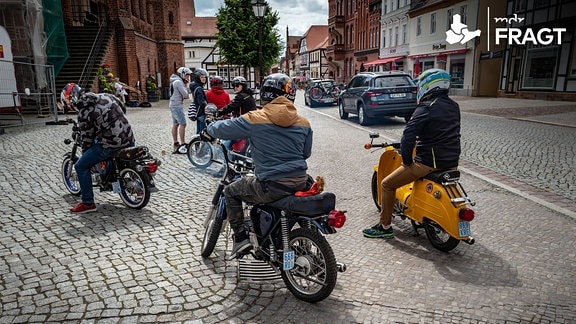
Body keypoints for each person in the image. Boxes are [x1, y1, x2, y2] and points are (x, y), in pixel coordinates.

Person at [202, 73, 312, 256]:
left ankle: (240, 239)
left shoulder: (255, 118)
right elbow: (305, 153)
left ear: (266, 94)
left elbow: (224, 128)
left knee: (230, 191)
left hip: (271, 184)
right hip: (300, 180)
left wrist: (210, 125)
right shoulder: (304, 122)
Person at [362, 68, 461, 238]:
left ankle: (384, 227)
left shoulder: (426, 107)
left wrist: (406, 161)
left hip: (427, 163)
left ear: (427, 86)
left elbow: (408, 137)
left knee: (387, 184)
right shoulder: (454, 106)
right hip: (451, 161)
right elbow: (440, 131)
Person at [70, 92, 135, 213]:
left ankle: (88, 203)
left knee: (80, 166)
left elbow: (87, 138)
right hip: (128, 136)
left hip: (111, 143)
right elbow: (123, 108)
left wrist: (86, 155)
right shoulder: (106, 95)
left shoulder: (84, 112)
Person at [169, 67, 192, 154]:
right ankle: (182, 143)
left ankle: (176, 142)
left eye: (188, 75)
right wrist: (186, 86)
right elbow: (186, 95)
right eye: (186, 75)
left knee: (175, 124)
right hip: (177, 105)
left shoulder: (175, 81)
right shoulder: (178, 82)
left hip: (173, 104)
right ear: (182, 74)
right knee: (183, 124)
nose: (188, 77)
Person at [189, 68, 209, 134]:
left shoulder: (195, 87)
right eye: (201, 77)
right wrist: (207, 105)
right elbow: (201, 102)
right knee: (203, 133)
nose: (204, 79)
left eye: (205, 77)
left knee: (198, 132)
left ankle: (197, 144)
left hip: (198, 112)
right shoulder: (199, 88)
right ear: (198, 78)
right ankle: (200, 144)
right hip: (201, 112)